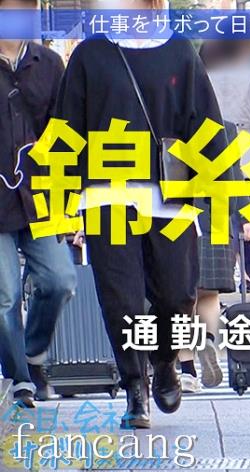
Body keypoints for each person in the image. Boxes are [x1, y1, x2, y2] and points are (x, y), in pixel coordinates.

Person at [57, 0, 226, 428]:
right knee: (122, 299)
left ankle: (165, 361)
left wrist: (221, 187)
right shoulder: (90, 54)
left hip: (170, 196)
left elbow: (205, 122)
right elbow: (67, 129)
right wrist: (63, 200)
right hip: (106, 197)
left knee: (176, 293)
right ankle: (136, 385)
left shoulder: (179, 50)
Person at [171, 39, 250, 394]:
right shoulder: (226, 129)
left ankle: (187, 368)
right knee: (209, 294)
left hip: (177, 216)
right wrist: (247, 218)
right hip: (216, 215)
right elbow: (234, 179)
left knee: (180, 297)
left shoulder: (168, 129)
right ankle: (210, 340)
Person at [0, 0, 76, 408]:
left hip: (42, 198)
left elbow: (64, 135)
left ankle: (32, 353)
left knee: (59, 280)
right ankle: (19, 378)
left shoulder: (48, 64)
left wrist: (70, 201)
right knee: (6, 296)